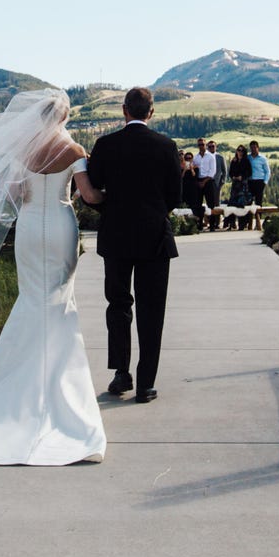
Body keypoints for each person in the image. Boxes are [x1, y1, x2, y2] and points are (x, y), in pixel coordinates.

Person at [0, 90, 107, 465]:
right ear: (64, 118)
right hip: (60, 226)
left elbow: (14, 193)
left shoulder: (23, 151)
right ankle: (59, 386)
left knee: (30, 298)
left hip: (28, 226)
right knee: (59, 302)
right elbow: (89, 196)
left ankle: (16, 385)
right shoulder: (75, 152)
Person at [84, 86, 182, 403]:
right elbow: (175, 198)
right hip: (155, 237)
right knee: (152, 311)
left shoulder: (105, 145)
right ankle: (146, 383)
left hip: (116, 236)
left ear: (124, 110)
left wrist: (112, 210)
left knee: (118, 305)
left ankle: (121, 373)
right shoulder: (167, 147)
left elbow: (95, 190)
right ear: (151, 112)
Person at [247, 141, 269, 206]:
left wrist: (265, 182)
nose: (253, 149)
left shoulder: (263, 159)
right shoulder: (248, 158)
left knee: (258, 202)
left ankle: (259, 216)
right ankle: (249, 216)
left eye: (254, 147)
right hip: (250, 182)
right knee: (248, 201)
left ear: (258, 148)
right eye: (251, 148)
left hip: (259, 182)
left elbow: (267, 171)